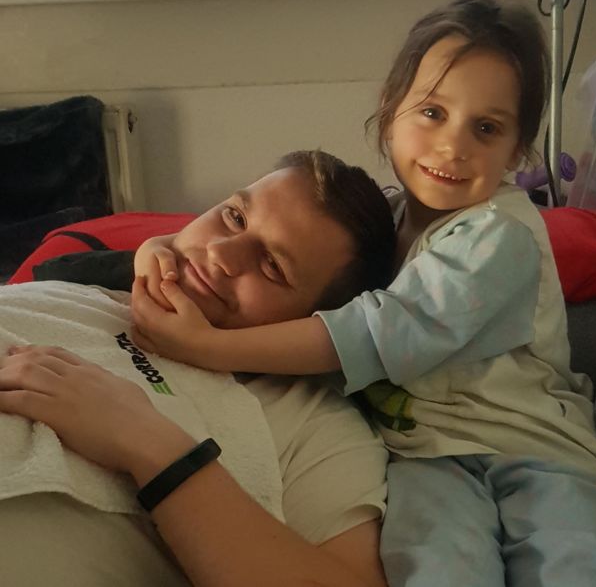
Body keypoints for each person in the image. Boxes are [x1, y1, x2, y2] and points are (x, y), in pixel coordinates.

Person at [125, 0, 596, 586]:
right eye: (433, 113)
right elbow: (241, 254)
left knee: (578, 566)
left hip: (539, 452)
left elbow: (378, 331)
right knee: (435, 571)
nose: (453, 145)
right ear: (390, 110)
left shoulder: (499, 234)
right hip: (425, 461)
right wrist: (156, 248)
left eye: (486, 127)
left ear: (516, 150)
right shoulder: (383, 221)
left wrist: (207, 347)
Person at [0, 150, 395, 587]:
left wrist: (148, 443)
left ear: (312, 324)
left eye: (273, 266)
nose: (220, 252)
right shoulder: (85, 290)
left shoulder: (313, 422)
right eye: (234, 217)